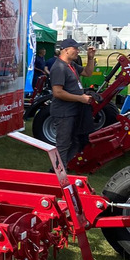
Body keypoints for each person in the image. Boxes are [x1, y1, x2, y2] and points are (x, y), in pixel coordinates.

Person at [49, 37, 96, 168]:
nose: (78, 51)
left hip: (74, 110)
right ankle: (58, 173)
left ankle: (59, 169)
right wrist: (80, 98)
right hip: (64, 112)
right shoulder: (59, 67)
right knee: (63, 144)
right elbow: (57, 92)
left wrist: (90, 58)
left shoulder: (72, 65)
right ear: (66, 50)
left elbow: (88, 72)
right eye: (75, 48)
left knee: (77, 141)